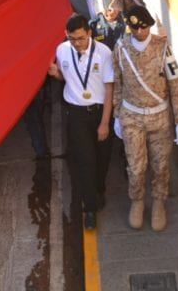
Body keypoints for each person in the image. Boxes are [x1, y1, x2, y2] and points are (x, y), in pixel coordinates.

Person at [112, 7, 178, 231]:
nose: (139, 32)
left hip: (159, 116)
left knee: (161, 165)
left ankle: (158, 203)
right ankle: (136, 202)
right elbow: (117, 83)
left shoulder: (164, 48)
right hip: (131, 115)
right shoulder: (120, 48)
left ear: (149, 25)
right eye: (135, 28)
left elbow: (176, 84)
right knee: (135, 167)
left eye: (143, 27)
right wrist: (117, 115)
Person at [47, 14, 114, 229]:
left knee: (102, 158)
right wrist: (56, 73)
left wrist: (104, 123)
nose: (77, 43)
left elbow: (110, 90)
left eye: (81, 38)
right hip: (76, 113)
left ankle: (99, 189)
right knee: (86, 161)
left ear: (90, 34)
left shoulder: (104, 54)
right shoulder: (62, 50)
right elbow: (68, 78)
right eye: (73, 39)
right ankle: (90, 209)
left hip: (98, 112)